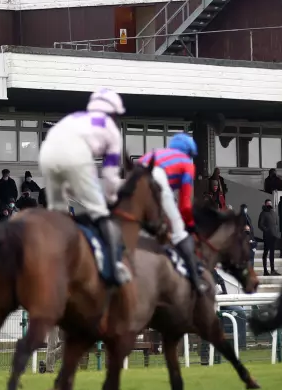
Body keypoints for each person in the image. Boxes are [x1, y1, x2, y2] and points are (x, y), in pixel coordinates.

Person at [38, 88, 130, 284]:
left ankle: (50, 266)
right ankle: (114, 271)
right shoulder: (111, 130)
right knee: (102, 215)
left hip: (46, 154)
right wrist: (111, 199)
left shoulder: (74, 118)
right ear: (113, 113)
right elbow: (110, 175)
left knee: (58, 216)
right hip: (76, 157)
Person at [139, 132, 208, 294]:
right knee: (179, 232)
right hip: (156, 179)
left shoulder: (154, 153)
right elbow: (184, 205)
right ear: (189, 153)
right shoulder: (187, 164)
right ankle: (197, 283)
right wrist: (189, 226)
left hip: (134, 176)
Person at [257, 198, 279, 277]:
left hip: (274, 236)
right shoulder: (263, 213)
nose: (270, 204)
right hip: (267, 236)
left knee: (272, 254)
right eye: (268, 203)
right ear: (265, 204)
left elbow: (276, 224)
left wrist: (276, 232)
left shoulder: (273, 212)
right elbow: (260, 225)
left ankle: (272, 270)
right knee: (266, 252)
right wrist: (266, 230)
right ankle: (265, 270)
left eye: (270, 203)